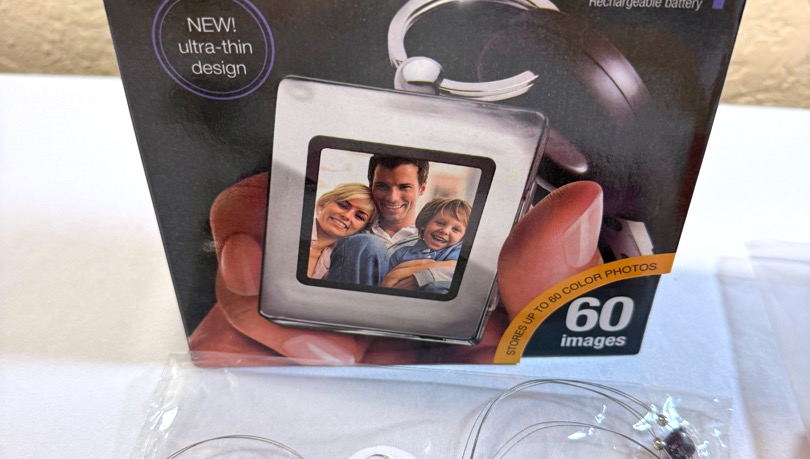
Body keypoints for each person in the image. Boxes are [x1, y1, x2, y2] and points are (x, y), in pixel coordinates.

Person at [189, 176, 604, 365]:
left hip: (483, 344)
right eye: (344, 207)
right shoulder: (387, 243)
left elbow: (444, 272)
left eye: (359, 215)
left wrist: (417, 272)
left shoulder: (438, 252)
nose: (349, 217)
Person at [324, 155, 429, 286]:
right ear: (371, 186)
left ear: (421, 189)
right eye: (382, 186)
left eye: (404, 187)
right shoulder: (346, 230)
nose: (392, 198)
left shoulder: (439, 240)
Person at [383, 198, 471, 294]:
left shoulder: (457, 250)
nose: (445, 231)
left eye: (455, 229)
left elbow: (455, 267)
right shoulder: (401, 253)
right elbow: (387, 282)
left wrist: (402, 272)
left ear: (463, 238)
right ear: (424, 224)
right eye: (440, 223)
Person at [308, 183, 379, 280]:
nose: (347, 216)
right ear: (323, 204)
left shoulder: (340, 264)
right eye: (343, 205)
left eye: (359, 216)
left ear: (361, 230)